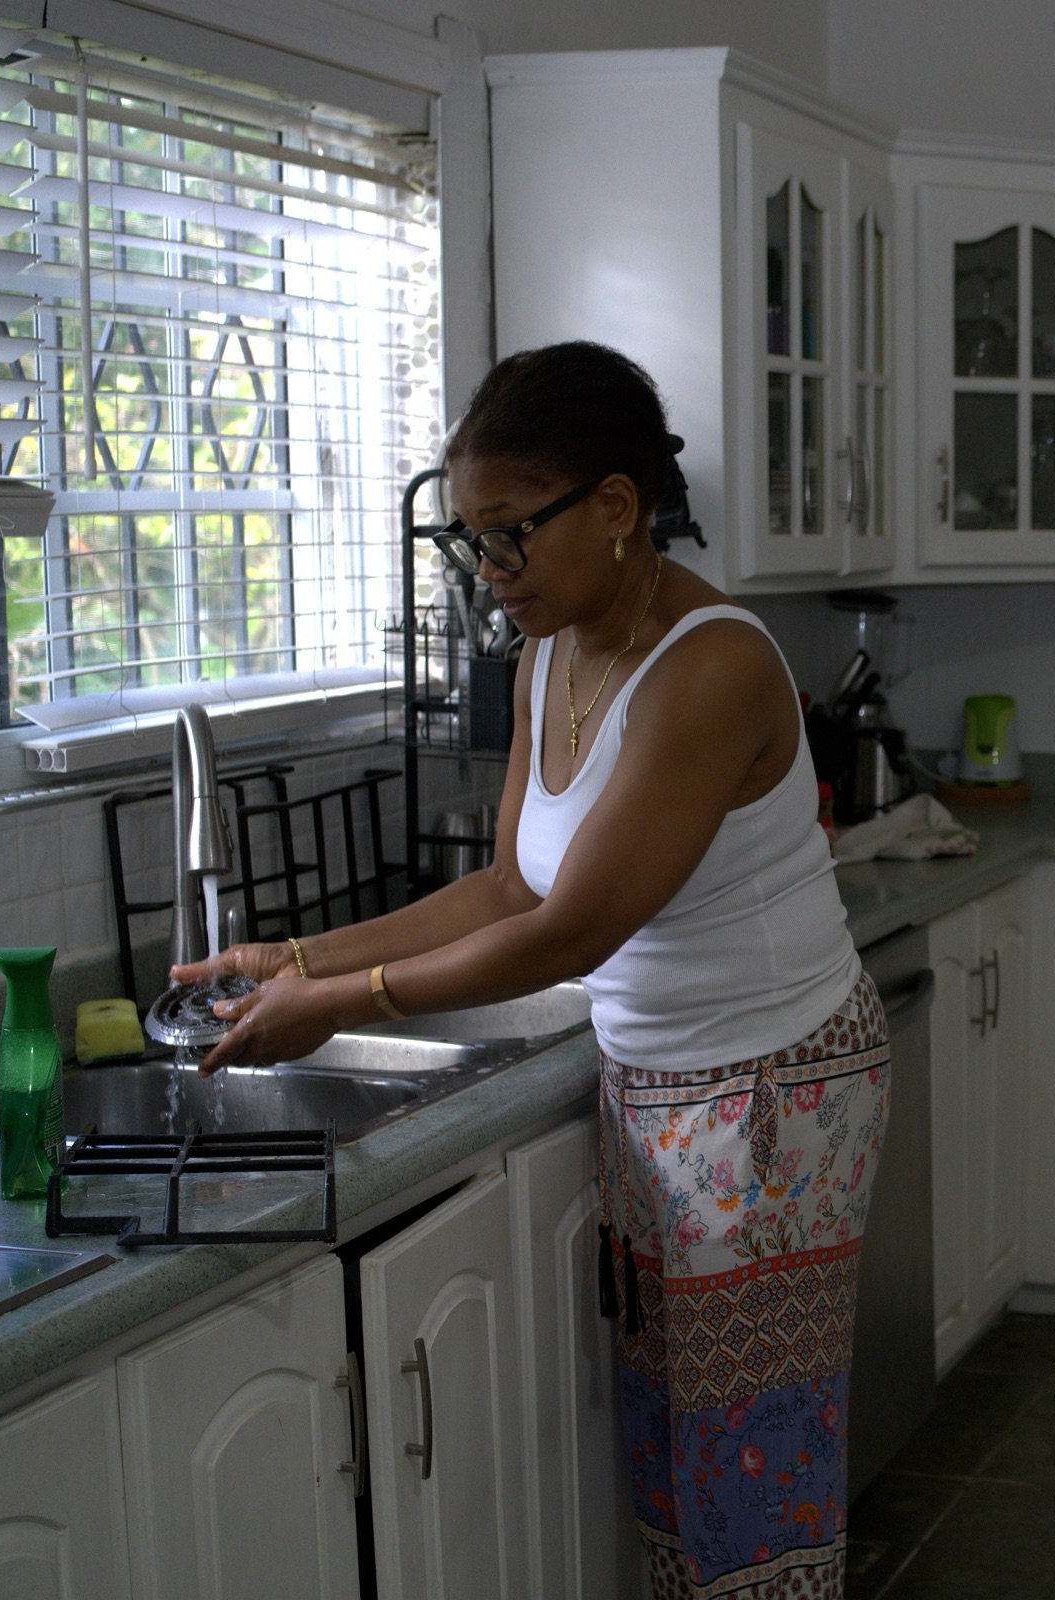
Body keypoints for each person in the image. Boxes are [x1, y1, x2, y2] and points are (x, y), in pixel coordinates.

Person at [170, 341, 883, 1600]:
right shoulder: (550, 648)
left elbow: (570, 934)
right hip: (654, 1083)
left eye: (508, 536)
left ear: (616, 508)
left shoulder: (709, 666)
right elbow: (510, 885)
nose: (487, 574)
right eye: (470, 543)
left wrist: (333, 1007)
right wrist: (289, 952)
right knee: (674, 1454)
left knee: (749, 1467)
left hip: (771, 1091)